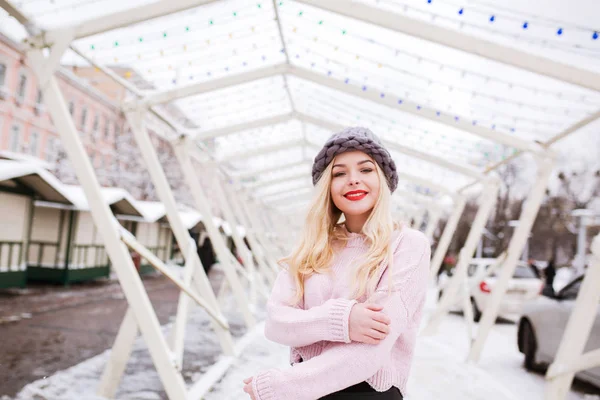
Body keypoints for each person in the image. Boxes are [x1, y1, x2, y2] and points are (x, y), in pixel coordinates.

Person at [242, 127, 431, 400]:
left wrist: (284, 385)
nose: (353, 180)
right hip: (307, 392)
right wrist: (342, 321)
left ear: (384, 179)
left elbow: (373, 347)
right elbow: (276, 322)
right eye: (339, 173)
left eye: (366, 170)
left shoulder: (407, 244)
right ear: (327, 187)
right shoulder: (313, 247)